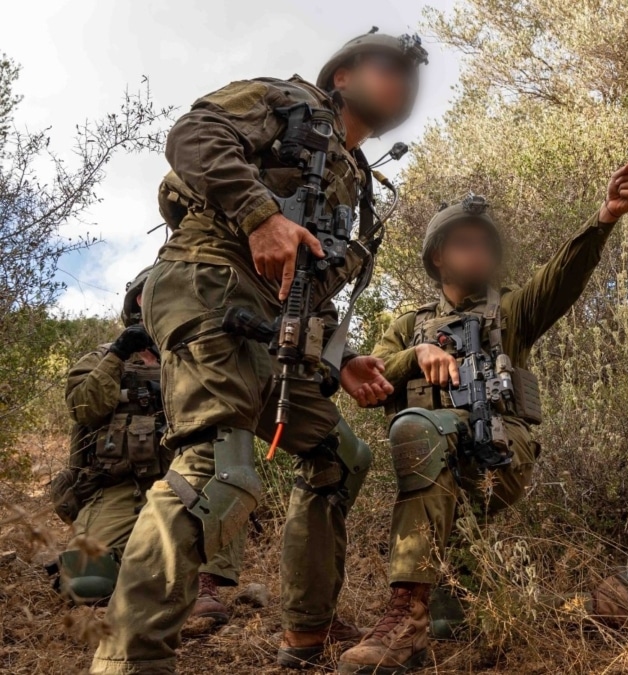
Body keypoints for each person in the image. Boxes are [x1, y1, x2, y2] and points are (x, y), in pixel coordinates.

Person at [89, 29, 427, 674]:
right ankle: (129, 662)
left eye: (412, 78)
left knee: (339, 456)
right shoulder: (286, 100)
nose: (403, 82)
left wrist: (340, 354)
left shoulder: (353, 178)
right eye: (389, 67)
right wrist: (257, 214)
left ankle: (306, 637)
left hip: (274, 326)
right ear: (344, 76)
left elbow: (311, 286)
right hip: (206, 282)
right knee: (218, 467)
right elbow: (193, 136)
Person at [342, 153, 628, 674]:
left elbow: (560, 281)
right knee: (461, 617)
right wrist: (415, 356)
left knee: (417, 429)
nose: (479, 251)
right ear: (438, 256)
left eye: (486, 243)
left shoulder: (509, 311)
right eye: (465, 242)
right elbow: (370, 381)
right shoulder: (406, 325)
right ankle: (603, 603)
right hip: (431, 472)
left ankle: (402, 622)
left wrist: (603, 220)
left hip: (497, 456)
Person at [51, 267, 244, 626]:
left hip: (179, 483)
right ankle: (136, 576)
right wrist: (118, 354)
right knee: (87, 583)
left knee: (229, 469)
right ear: (137, 302)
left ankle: (201, 587)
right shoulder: (103, 357)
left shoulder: (194, 356)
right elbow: (83, 407)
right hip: (115, 487)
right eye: (150, 294)